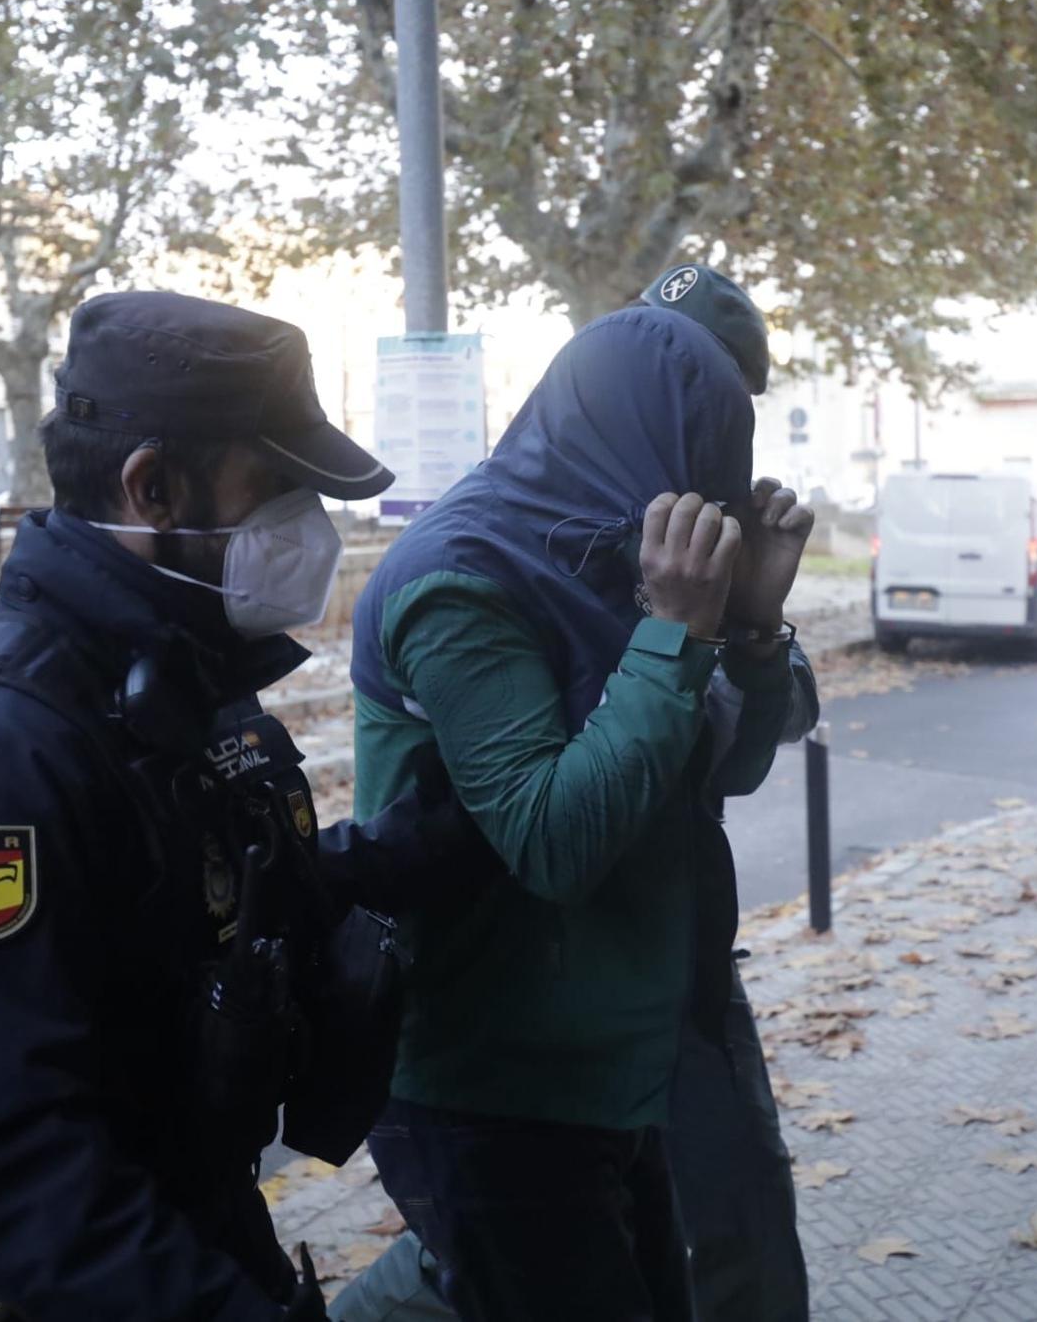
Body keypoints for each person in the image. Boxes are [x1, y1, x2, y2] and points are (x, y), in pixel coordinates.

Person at [0, 292, 496, 1322]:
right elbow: (16, 1181)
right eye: (276, 486)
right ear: (153, 488)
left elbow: (207, 908)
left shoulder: (169, 687)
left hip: (198, 1236)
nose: (309, 529)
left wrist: (417, 850)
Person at [345, 263, 811, 1320]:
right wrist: (679, 630)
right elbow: (552, 842)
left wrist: (752, 626)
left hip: (635, 1018)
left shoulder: (615, 539)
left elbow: (726, 767)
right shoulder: (462, 575)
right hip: (505, 1066)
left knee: (710, 1255)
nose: (705, 490)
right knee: (507, 1266)